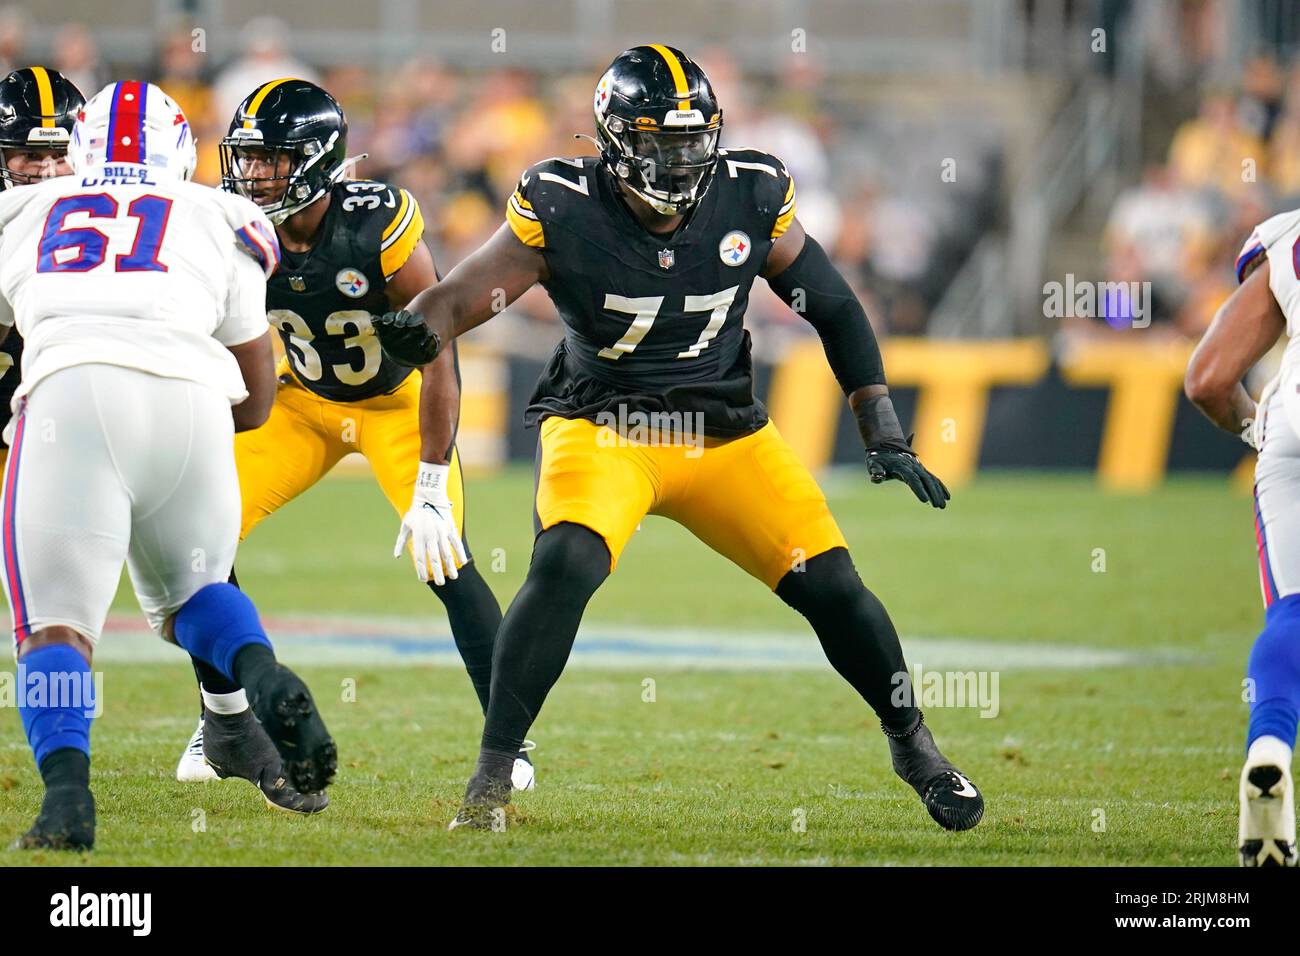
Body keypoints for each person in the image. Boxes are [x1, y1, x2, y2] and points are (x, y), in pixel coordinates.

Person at [373, 45, 983, 832]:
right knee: (565, 562)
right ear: (617, 139)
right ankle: (490, 781)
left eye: (694, 140)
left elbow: (830, 302)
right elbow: (459, 298)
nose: (683, 158)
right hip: (605, 427)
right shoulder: (562, 204)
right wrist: (412, 328)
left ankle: (916, 748)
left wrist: (882, 427)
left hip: (721, 432)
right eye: (663, 141)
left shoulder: (750, 193)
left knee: (833, 585)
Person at [171, 78, 533, 795]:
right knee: (197, 544)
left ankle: (510, 742)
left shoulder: (377, 224)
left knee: (445, 559)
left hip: (396, 401)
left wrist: (431, 483)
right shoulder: (235, 227)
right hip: (299, 400)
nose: (253, 174)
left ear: (316, 160)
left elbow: (440, 340)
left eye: (271, 159)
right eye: (248, 158)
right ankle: (227, 721)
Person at [0, 81, 336, 849]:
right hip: (191, 405)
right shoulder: (224, 216)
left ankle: (66, 799)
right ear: (182, 153)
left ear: (78, 151)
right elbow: (256, 399)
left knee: (55, 627)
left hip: (71, 399)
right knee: (196, 595)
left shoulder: (22, 211)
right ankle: (262, 675)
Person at [1186, 210, 1300, 866]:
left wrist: (1264, 433)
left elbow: (1206, 380)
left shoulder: (1288, 233)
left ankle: (1269, 750)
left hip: (1289, 419)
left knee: (1292, 610)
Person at [0, 66, 83, 469]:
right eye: (31, 155)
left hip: (67, 437)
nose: (48, 171)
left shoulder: (109, 223)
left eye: (61, 154)